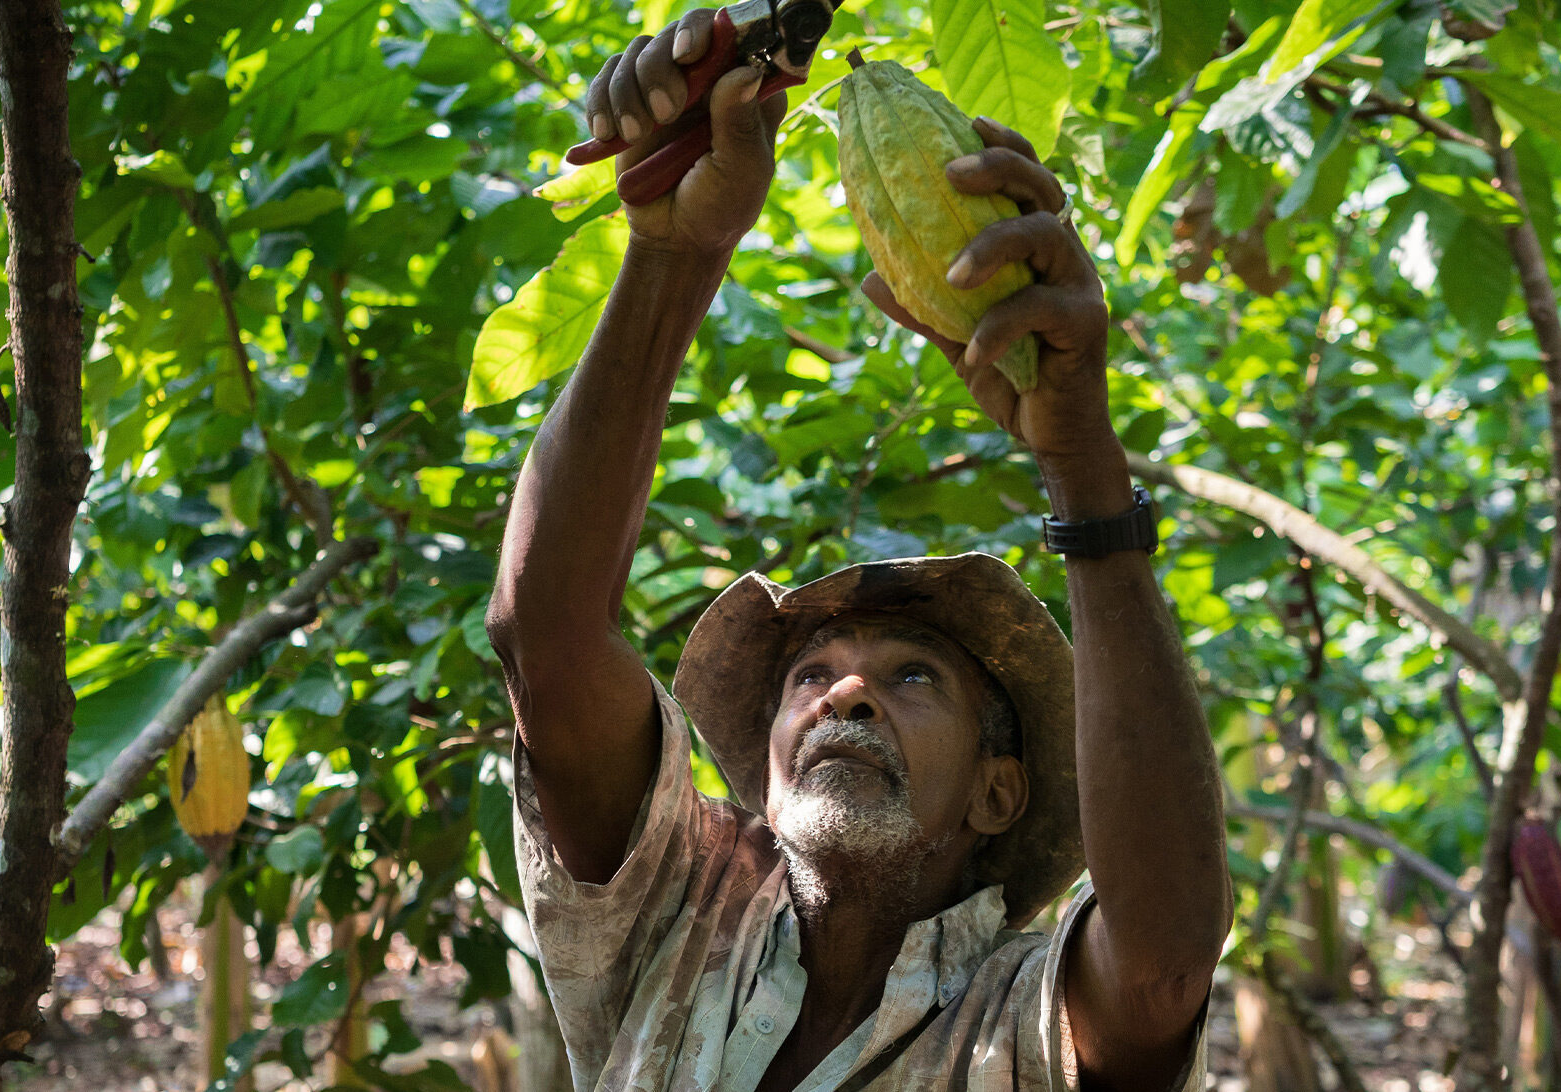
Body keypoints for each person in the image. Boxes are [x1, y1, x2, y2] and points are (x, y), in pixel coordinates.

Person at [485, 10, 1233, 1089]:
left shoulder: (1023, 1020)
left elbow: (1163, 970)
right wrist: (673, 250)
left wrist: (1085, 471)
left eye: (912, 676)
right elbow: (543, 634)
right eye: (810, 675)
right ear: (766, 778)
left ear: (997, 796)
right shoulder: (676, 925)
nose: (844, 697)